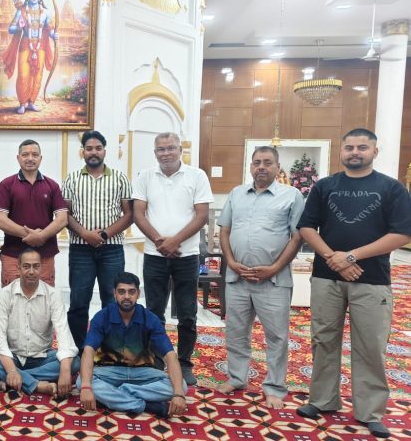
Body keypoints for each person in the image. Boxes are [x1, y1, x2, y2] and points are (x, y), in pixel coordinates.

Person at [295, 128, 411, 439]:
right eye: (349, 147)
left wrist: (351, 257)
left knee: (371, 345)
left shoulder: (392, 188)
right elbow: (307, 227)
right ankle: (322, 400)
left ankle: (370, 412)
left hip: (371, 280)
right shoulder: (325, 186)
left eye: (362, 147)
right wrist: (333, 258)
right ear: (341, 151)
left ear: (375, 151)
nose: (355, 152)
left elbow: (401, 234)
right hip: (326, 277)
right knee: (323, 340)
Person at [215, 146, 304, 409]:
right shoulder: (236, 194)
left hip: (273, 280)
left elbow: (297, 236)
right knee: (236, 332)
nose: (261, 167)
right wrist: (231, 262)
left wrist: (274, 268)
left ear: (277, 167)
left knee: (276, 336)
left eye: (267, 162)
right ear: (251, 166)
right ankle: (237, 378)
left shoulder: (291, 195)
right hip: (238, 277)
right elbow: (224, 231)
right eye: (256, 163)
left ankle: (274, 387)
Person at [132, 132, 213, 386]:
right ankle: (156, 361)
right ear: (155, 153)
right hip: (154, 255)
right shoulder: (145, 176)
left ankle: (185, 363)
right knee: (154, 312)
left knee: (187, 313)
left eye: (170, 148)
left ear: (180, 150)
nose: (166, 153)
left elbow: (202, 216)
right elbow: (138, 214)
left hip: (186, 256)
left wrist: (175, 241)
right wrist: (160, 242)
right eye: (161, 149)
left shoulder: (197, 176)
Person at [78, 272, 187, 417]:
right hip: (109, 371)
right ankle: (145, 405)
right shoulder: (102, 317)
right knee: (81, 382)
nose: (127, 296)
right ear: (114, 294)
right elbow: (88, 351)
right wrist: (86, 387)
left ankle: (116, 395)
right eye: (121, 292)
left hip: (142, 373)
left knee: (181, 386)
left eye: (131, 292)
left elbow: (170, 355)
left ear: (138, 294)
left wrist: (178, 394)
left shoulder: (150, 319)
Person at [0, 248, 79, 398]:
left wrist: (65, 370)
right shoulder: (5, 294)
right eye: (26, 266)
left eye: (36, 266)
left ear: (41, 268)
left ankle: (14, 379)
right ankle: (36, 384)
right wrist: (11, 370)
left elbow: (64, 334)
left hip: (42, 357)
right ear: (18, 268)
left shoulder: (53, 295)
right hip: (11, 357)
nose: (31, 271)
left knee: (74, 362)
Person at [62, 130, 133, 349]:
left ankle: (110, 348)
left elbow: (129, 214)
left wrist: (104, 234)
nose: (93, 152)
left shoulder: (120, 178)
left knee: (112, 301)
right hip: (80, 250)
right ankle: (78, 349)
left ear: (104, 151)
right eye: (89, 148)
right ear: (82, 151)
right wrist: (85, 234)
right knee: (78, 302)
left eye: (98, 148)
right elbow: (65, 214)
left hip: (112, 249)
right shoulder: (72, 178)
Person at [0, 139, 68, 286]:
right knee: (12, 296)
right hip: (14, 255)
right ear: (18, 158)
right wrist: (30, 235)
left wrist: (42, 236)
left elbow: (62, 218)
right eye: (25, 154)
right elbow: (0, 219)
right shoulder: (7, 184)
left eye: (35, 154)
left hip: (44, 255)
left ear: (40, 158)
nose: (30, 158)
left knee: (44, 296)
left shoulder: (52, 185)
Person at [2, 0, 57, 114]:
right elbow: (10, 29)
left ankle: (31, 102)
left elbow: (50, 29)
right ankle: (22, 103)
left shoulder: (45, 12)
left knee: (37, 75)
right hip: (25, 46)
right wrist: (19, 26)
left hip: (40, 48)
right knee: (23, 75)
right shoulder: (21, 11)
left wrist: (54, 35)